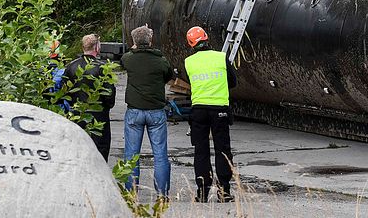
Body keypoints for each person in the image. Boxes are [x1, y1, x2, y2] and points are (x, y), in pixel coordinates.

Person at [183, 26, 238, 203]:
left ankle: (202, 192)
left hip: (198, 110)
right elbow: (233, 82)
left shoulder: (189, 62)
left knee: (201, 151)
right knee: (222, 150)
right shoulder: (221, 57)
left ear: (191, 44)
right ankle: (224, 191)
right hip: (219, 109)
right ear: (207, 38)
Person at [120, 24, 174, 197]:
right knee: (160, 155)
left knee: (131, 155)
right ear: (151, 41)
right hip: (156, 112)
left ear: (134, 42)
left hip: (134, 112)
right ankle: (162, 194)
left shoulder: (128, 58)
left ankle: (130, 194)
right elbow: (168, 76)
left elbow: (124, 61)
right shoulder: (161, 60)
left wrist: (136, 47)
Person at [64, 34, 117, 161]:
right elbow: (109, 94)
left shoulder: (71, 66)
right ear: (97, 47)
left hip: (77, 113)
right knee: (100, 150)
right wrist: (107, 105)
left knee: (78, 149)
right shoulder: (103, 67)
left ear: (83, 47)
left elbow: (65, 90)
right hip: (98, 114)